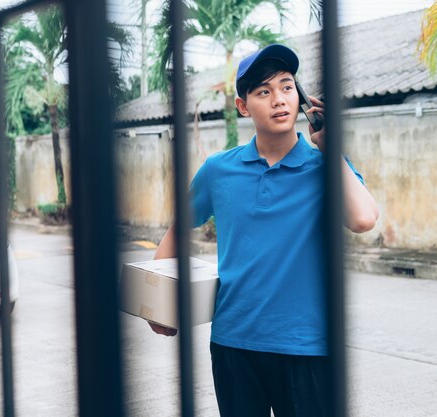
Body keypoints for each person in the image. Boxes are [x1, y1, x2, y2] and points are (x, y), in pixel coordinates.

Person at [149, 44, 379, 416]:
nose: (279, 100)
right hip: (234, 344)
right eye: (263, 91)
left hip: (308, 347)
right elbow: (178, 229)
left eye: (287, 87)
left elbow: (364, 219)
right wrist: (159, 305)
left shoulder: (325, 166)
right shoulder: (219, 170)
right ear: (243, 105)